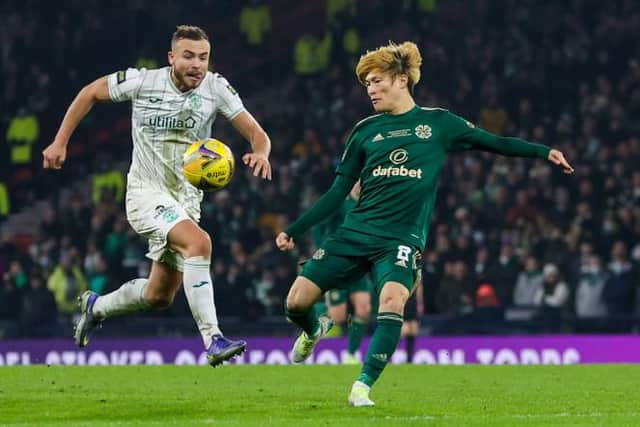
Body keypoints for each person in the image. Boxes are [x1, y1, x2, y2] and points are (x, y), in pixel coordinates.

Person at [276, 41, 573, 406]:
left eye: (376, 80)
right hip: (355, 233)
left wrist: (544, 152)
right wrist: (294, 229)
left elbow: (493, 142)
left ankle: (362, 386)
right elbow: (337, 192)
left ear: (401, 80)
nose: (370, 89)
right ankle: (314, 329)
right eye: (366, 83)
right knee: (295, 303)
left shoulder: (438, 124)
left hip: (400, 238)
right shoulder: (365, 131)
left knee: (392, 300)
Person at [42, 25, 272, 367]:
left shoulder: (216, 87)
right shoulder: (143, 81)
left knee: (159, 295)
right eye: (189, 56)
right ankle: (213, 339)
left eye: (203, 57)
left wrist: (261, 153)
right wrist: (60, 141)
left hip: (186, 201)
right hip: (145, 194)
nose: (197, 64)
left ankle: (96, 307)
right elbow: (90, 92)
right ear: (171, 58)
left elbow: (257, 133)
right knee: (200, 244)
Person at [313, 181, 373, 364]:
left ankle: (351, 354)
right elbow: (318, 226)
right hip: (337, 265)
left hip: (359, 265)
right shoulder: (339, 203)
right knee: (338, 316)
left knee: (364, 309)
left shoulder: (369, 205)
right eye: (358, 181)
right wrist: (321, 250)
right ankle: (308, 310)